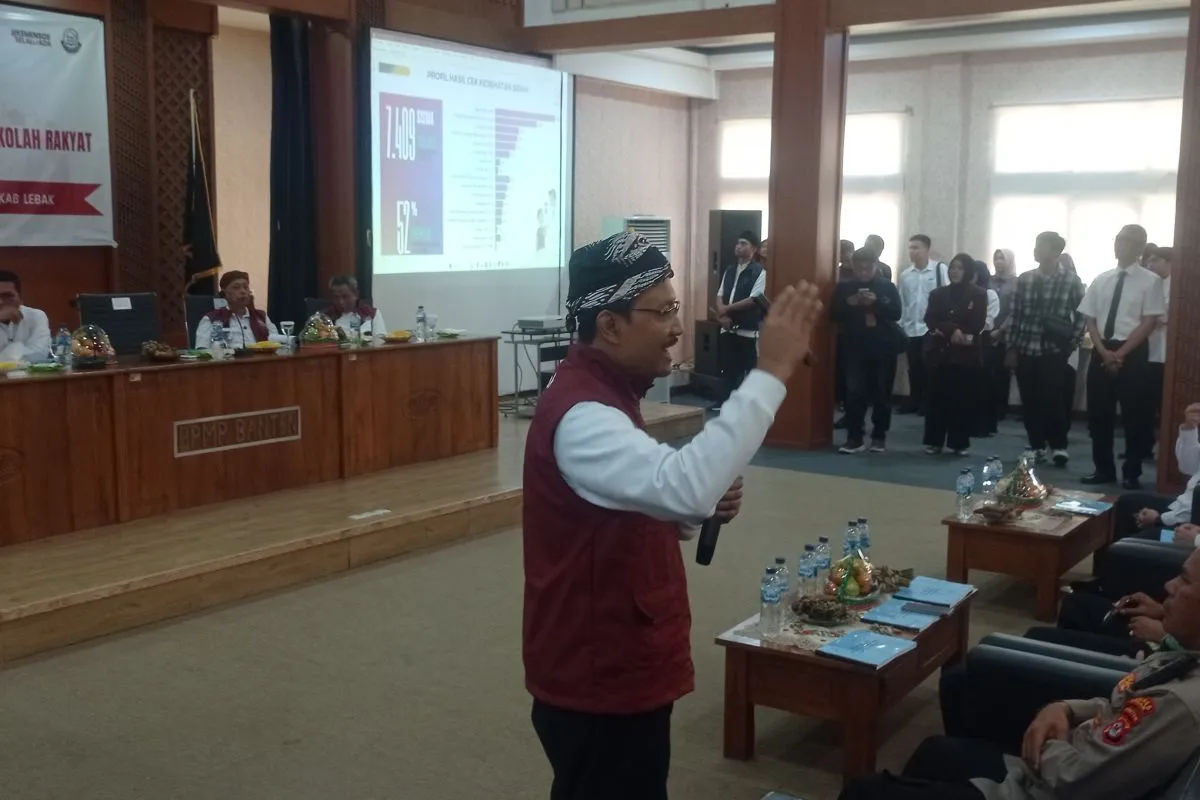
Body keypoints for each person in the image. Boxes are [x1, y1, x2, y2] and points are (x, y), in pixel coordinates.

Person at [523, 231, 821, 800]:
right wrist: (770, 371)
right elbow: (681, 487)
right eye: (662, 312)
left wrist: (694, 509)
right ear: (610, 325)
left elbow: (642, 497)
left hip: (616, 659)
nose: (678, 328)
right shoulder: (584, 413)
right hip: (597, 673)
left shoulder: (607, 393)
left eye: (676, 308)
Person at [839, 548, 1200, 800]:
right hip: (1057, 763)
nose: (1170, 585)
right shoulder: (1187, 657)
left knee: (864, 791)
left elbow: (1074, 782)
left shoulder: (1180, 706)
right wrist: (1065, 708)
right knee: (935, 750)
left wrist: (1052, 740)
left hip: (1044, 783)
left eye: (1185, 581)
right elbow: (1125, 697)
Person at [1078, 224, 1167, 490]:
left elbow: (1149, 322)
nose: (1120, 244)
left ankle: (1132, 471)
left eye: (1127, 240)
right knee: (1099, 413)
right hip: (1102, 349)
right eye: (1118, 239)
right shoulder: (1102, 279)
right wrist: (1104, 351)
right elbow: (1090, 320)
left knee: (1134, 415)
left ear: (1140, 247)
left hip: (1133, 350)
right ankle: (1103, 468)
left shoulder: (1150, 280)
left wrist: (1121, 353)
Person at [1007, 233, 1085, 466]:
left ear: (1055, 252)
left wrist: (1073, 341)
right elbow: (1015, 315)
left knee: (1053, 399)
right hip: (1026, 348)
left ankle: (1059, 446)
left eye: (1042, 246)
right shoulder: (1025, 279)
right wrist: (1011, 348)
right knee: (1029, 401)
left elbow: (1082, 313)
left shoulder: (1071, 280)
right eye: (1036, 245)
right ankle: (1036, 446)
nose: (1036, 250)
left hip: (1053, 350)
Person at [830, 248, 903, 454]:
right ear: (853, 267)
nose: (863, 272)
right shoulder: (845, 287)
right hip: (854, 347)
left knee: (881, 394)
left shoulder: (886, 286)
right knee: (854, 393)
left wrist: (876, 302)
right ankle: (855, 438)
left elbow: (896, 313)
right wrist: (849, 303)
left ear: (875, 266)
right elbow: (833, 314)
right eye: (859, 268)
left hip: (883, 347)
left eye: (867, 268)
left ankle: (879, 437)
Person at [923, 254, 987, 456]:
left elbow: (977, 323)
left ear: (968, 271)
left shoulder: (978, 294)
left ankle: (959, 443)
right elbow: (930, 318)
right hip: (941, 353)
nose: (954, 271)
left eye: (959, 268)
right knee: (937, 399)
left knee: (962, 400)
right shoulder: (938, 293)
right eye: (952, 267)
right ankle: (934, 441)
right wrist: (952, 329)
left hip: (966, 355)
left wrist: (958, 332)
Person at [1110, 402, 1200, 544]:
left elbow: (1192, 513)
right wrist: (1190, 429)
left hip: (1187, 532)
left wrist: (1158, 519)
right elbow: (1188, 467)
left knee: (1127, 545)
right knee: (1126, 503)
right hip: (1180, 509)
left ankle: (1120, 551)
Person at [898, 234, 949, 415]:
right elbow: (903, 303)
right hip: (910, 328)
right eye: (910, 248)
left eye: (916, 247)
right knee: (914, 367)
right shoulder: (905, 275)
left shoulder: (940, 270)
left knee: (930, 367)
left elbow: (947, 297)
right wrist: (901, 326)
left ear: (927, 249)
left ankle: (928, 403)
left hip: (930, 328)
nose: (912, 251)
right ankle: (914, 400)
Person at [713, 231, 767, 403]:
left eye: (744, 243)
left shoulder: (759, 272)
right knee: (728, 369)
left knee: (749, 371)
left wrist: (726, 309)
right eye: (738, 243)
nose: (738, 246)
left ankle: (746, 406)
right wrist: (722, 314)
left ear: (754, 249)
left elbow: (754, 299)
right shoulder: (730, 270)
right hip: (727, 328)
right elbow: (720, 294)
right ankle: (724, 403)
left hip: (747, 331)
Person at [194, 270, 279, 349]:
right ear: (225, 292)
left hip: (261, 359)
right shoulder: (211, 319)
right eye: (236, 287)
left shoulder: (261, 316)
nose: (243, 291)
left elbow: (277, 344)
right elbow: (202, 350)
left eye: (246, 287)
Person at [1147, 246, 1173, 449]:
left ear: (1169, 262)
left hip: (1168, 353)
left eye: (1155, 260)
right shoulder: (1153, 284)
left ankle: (1164, 445)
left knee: (1164, 402)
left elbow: (1164, 317)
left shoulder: (1178, 286)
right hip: (1149, 350)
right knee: (1147, 400)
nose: (1150, 265)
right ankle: (1145, 444)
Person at [989, 249, 1018, 424]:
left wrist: (1001, 330)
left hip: (1007, 333)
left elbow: (1015, 310)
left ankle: (1001, 409)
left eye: (1002, 258)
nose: (998, 261)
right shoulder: (989, 281)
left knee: (1002, 372)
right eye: (996, 258)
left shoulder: (1016, 282)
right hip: (987, 331)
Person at [973, 260, 1001, 437]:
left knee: (983, 386)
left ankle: (984, 426)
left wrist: (968, 327)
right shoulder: (961, 293)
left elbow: (989, 322)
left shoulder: (989, 294)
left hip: (982, 343)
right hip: (965, 344)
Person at [0, 269, 51, 362]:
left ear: (20, 298)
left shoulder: (36, 316)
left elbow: (39, 355)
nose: (0, 302)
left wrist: (6, 356)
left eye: (7, 296)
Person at [323, 275, 388, 339]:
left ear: (356, 294)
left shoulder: (373, 314)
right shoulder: (325, 317)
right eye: (336, 297)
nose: (341, 302)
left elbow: (381, 340)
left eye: (345, 297)